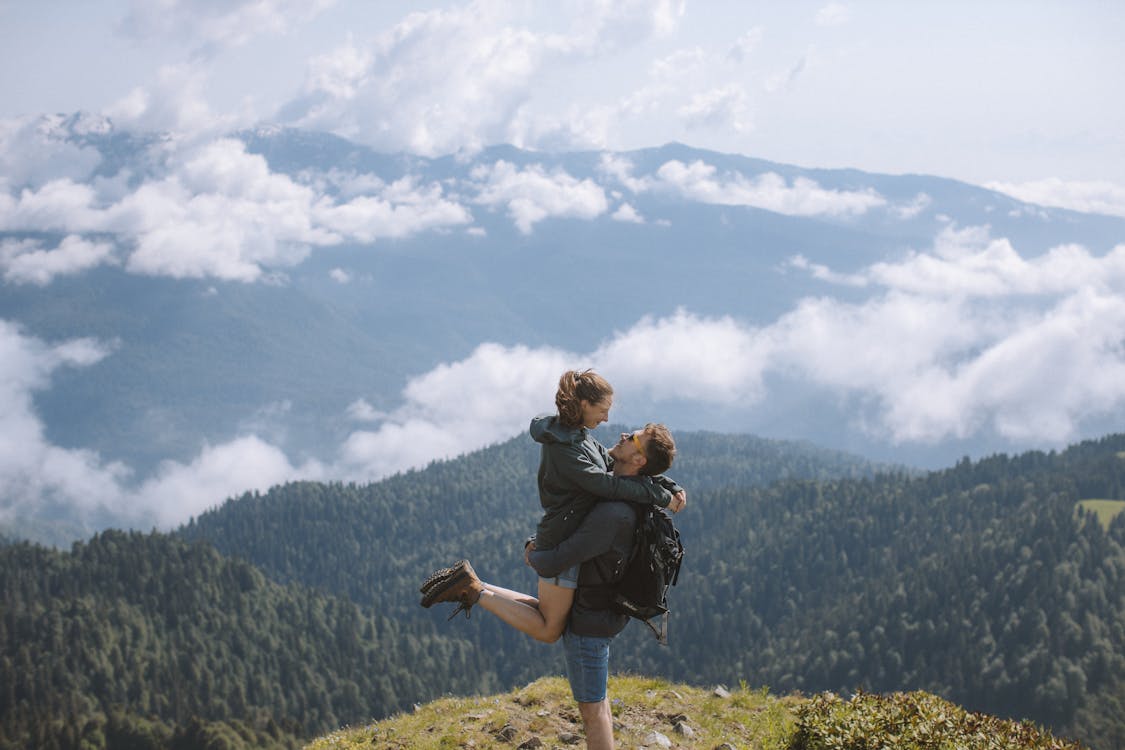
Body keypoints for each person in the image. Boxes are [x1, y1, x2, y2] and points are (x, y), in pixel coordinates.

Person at [425, 425, 683, 749]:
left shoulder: (615, 512)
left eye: (633, 439)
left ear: (639, 461)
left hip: (590, 621)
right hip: (595, 609)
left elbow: (557, 560)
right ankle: (473, 587)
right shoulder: (618, 486)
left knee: (593, 712)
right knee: (592, 698)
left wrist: (534, 551)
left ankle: (475, 590)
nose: (623, 435)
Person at [421, 370, 686, 643]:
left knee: (544, 612)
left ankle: (473, 585)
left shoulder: (578, 437)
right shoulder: (568, 449)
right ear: (585, 405)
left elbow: (613, 465)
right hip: (562, 535)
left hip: (563, 530)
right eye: (603, 410)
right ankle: (475, 590)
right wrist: (662, 497)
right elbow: (609, 485)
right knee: (549, 629)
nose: (607, 418)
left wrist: (668, 484)